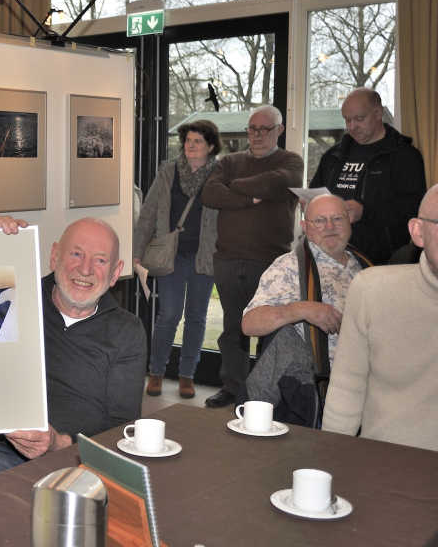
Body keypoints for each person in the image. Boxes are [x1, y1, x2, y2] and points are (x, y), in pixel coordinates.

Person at [0, 217, 146, 483]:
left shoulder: (126, 331)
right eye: (76, 254)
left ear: (115, 273)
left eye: (99, 260)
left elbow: (122, 426)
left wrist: (60, 444)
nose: (85, 269)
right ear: (54, 257)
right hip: (5, 451)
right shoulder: (15, 300)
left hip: (83, 459)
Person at [201, 105, 304, 408]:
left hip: (271, 263)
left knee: (268, 330)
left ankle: (262, 394)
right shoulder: (230, 161)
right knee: (233, 330)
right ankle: (233, 388)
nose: (257, 135)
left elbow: (275, 182)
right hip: (228, 259)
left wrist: (233, 186)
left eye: (264, 129)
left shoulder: (290, 161)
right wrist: (250, 198)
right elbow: (210, 193)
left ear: (279, 130)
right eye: (252, 128)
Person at [322, 185, 438, 451]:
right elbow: (346, 391)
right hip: (383, 461)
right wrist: (329, 461)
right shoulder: (373, 291)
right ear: (418, 232)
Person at [237, 195, 372, 422]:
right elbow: (250, 324)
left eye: (337, 218)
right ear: (304, 226)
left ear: (349, 221)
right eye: (319, 220)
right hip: (324, 392)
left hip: (371, 385)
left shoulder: (363, 265)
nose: (329, 226)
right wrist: (302, 310)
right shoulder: (289, 267)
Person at [133, 120, 221, 399]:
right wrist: (137, 251)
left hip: (204, 258)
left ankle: (187, 376)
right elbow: (148, 213)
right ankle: (156, 373)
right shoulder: (168, 172)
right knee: (169, 315)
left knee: (196, 317)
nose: (191, 146)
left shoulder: (220, 175)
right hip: (169, 256)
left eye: (198, 141)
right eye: (188, 140)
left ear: (211, 146)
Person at [309, 87, 426, 265]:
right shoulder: (334, 155)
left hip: (381, 260)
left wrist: (365, 211)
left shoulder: (403, 155)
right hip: (329, 258)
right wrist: (310, 204)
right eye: (347, 120)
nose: (352, 127)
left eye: (359, 119)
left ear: (378, 113)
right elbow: (316, 192)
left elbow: (413, 207)